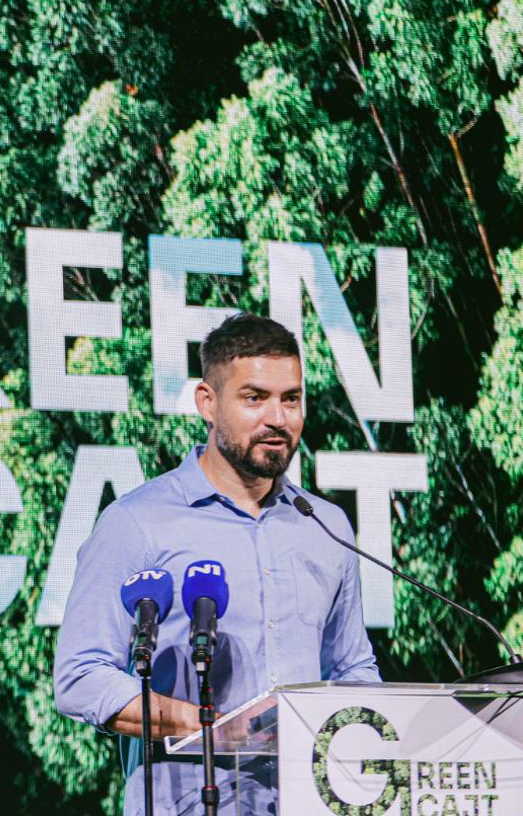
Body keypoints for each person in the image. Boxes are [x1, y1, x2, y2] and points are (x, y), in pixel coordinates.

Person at [52, 312, 379, 814]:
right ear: (207, 402)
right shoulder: (136, 523)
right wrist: (206, 724)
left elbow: (351, 668)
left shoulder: (324, 525)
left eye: (291, 399)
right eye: (254, 398)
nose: (278, 418)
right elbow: (81, 678)